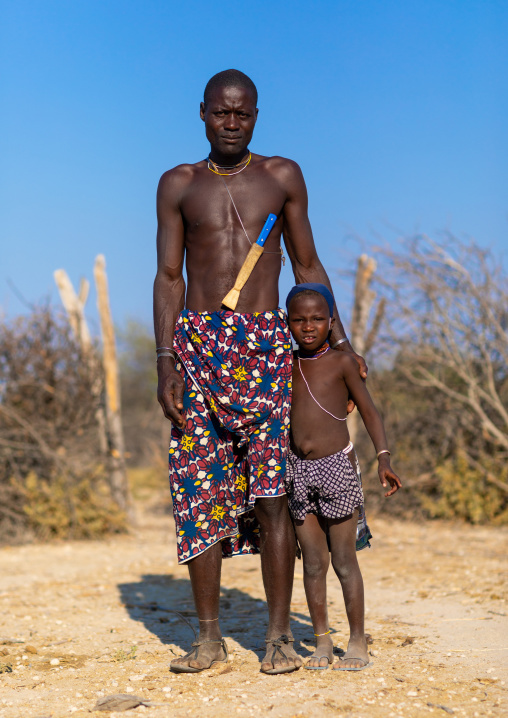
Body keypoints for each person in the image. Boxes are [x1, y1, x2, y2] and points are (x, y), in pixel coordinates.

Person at [153, 69, 367, 674]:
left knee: (273, 496)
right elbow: (169, 277)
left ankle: (276, 639)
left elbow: (307, 260)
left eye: (241, 113)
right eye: (220, 112)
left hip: (266, 350)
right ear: (201, 113)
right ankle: (209, 641)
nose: (230, 122)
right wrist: (165, 360)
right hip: (198, 350)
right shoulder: (178, 184)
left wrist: (342, 348)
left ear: (256, 115)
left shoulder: (282, 176)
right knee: (198, 495)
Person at [284, 283, 402, 671]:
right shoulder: (284, 364)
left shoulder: (343, 362)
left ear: (330, 322)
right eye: (299, 319)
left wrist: (383, 459)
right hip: (297, 470)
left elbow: (369, 412)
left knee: (345, 561)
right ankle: (321, 642)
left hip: (336, 467)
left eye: (317, 319)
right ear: (288, 322)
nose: (308, 326)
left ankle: (356, 640)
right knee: (313, 563)